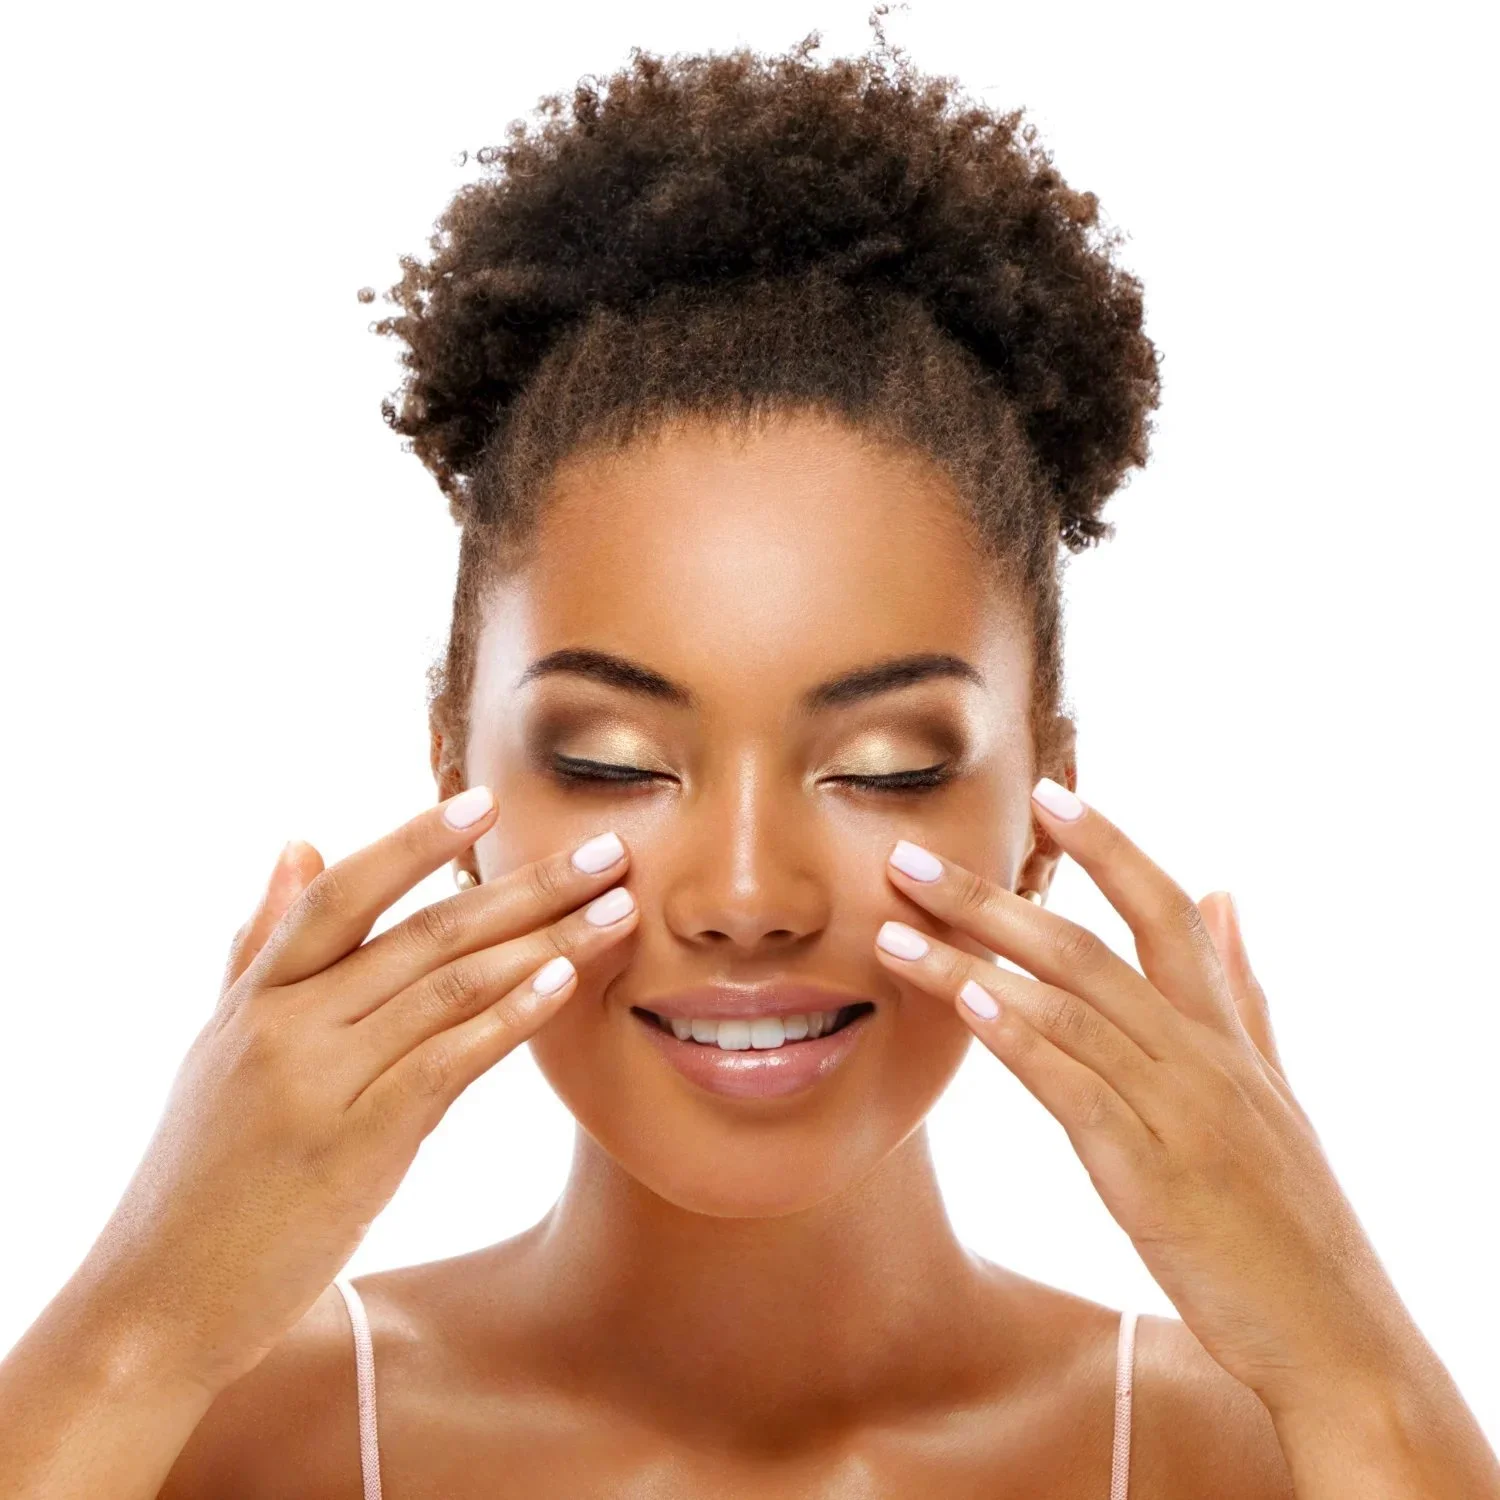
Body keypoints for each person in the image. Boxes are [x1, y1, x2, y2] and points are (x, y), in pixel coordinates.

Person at [2, 32, 1496, 1500]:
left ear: (1043, 813)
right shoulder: (218, 1444)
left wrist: (1349, 1353)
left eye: (889, 768)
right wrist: (135, 1332)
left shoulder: (1248, 1459)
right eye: (608, 759)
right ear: (459, 780)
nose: (745, 895)